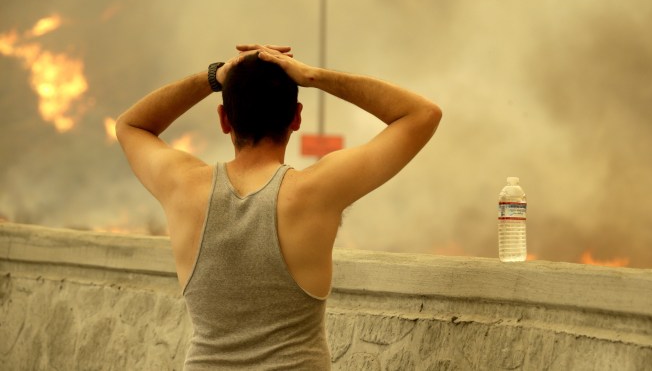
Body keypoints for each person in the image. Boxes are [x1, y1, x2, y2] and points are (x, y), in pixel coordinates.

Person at [115, 43, 442, 369]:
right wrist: (313, 76)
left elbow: (131, 125)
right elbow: (422, 114)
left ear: (224, 119)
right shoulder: (314, 192)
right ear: (296, 117)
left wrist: (216, 76)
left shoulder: (184, 186)